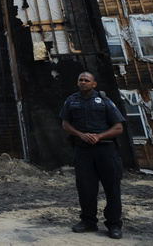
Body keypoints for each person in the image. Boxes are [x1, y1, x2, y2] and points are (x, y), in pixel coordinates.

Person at [60, 71, 125, 240]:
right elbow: (65, 124)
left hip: (105, 150)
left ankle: (114, 225)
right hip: (83, 151)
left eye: (87, 80)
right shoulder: (71, 100)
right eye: (80, 80)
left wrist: (99, 136)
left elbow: (119, 128)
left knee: (112, 188)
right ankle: (88, 221)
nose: (83, 82)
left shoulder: (104, 101)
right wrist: (80, 134)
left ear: (94, 84)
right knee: (85, 188)